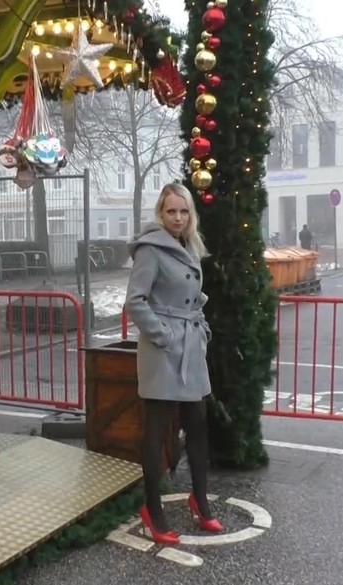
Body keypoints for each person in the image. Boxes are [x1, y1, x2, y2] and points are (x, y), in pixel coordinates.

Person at [124, 182, 223, 546]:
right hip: (164, 351)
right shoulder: (151, 249)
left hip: (190, 346)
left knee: (197, 425)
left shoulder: (189, 246)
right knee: (156, 431)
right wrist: (163, 336)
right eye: (171, 211)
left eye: (183, 211)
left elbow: (190, 297)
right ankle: (153, 510)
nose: (178, 218)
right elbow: (135, 301)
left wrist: (202, 327)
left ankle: (201, 501)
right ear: (160, 214)